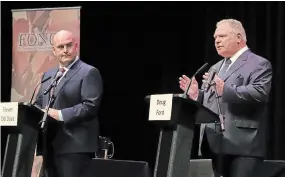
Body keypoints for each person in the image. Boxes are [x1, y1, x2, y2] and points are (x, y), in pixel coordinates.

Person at [179, 19, 272, 177]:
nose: (217, 41)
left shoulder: (259, 63)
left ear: (238, 38)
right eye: (215, 38)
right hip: (215, 144)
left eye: (222, 36)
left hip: (242, 145)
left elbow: (259, 93)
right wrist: (197, 95)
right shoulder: (216, 67)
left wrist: (225, 89)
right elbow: (212, 100)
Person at [34, 30, 103, 177]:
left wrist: (59, 114)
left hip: (75, 147)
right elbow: (39, 103)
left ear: (76, 46)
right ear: (54, 51)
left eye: (69, 45)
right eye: (60, 47)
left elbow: (90, 106)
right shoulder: (49, 75)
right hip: (50, 146)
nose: (65, 50)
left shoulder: (89, 72)